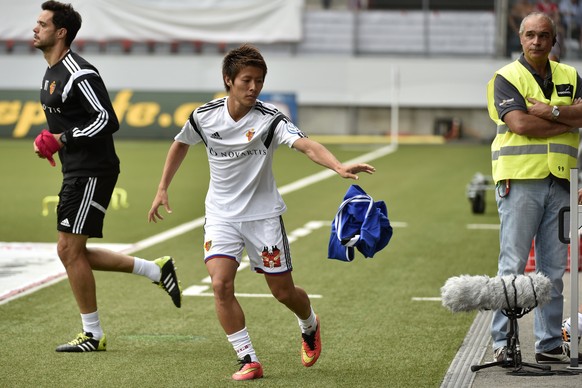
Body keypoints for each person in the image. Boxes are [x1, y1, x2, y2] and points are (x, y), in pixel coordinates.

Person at [148, 43, 375, 380]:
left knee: (282, 292)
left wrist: (337, 166)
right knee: (221, 284)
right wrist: (163, 186)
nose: (254, 88)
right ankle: (247, 359)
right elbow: (181, 143)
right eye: (246, 80)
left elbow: (307, 146)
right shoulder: (204, 116)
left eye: (259, 81)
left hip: (263, 217)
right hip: (221, 216)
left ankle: (309, 323)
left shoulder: (270, 120)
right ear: (228, 80)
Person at [32, 1, 182, 353]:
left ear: (61, 32)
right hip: (77, 169)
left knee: (68, 250)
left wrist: (63, 139)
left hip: (93, 171)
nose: (35, 29)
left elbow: (106, 119)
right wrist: (50, 140)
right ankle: (156, 271)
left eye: (42, 24)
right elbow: (69, 120)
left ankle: (92, 335)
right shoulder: (50, 70)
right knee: (73, 250)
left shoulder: (78, 72)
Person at [487, 11, 582, 364]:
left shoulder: (571, 75)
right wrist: (566, 119)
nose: (537, 41)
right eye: (530, 35)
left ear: (554, 41)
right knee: (511, 265)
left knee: (553, 271)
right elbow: (520, 123)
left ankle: (548, 344)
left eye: (543, 35)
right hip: (520, 181)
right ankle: (502, 343)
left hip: (562, 181)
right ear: (520, 38)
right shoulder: (506, 77)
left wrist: (550, 112)